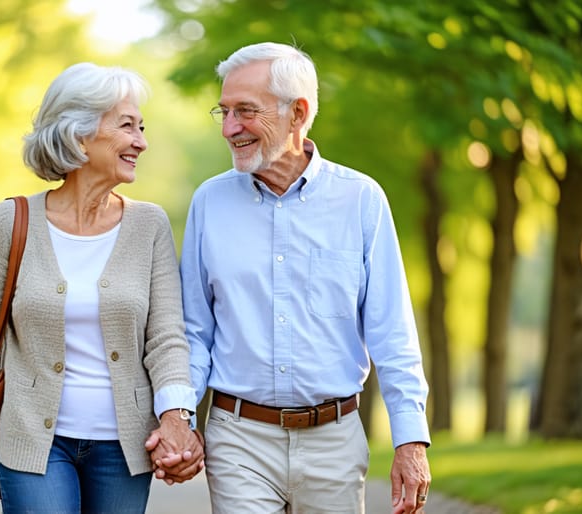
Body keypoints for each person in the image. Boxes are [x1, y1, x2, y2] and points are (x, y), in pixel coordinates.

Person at [161, 42, 432, 513]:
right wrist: (180, 416)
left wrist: (411, 441)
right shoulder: (210, 202)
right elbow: (193, 331)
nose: (230, 128)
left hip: (335, 440)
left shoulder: (362, 200)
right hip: (239, 438)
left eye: (246, 111)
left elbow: (392, 333)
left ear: (298, 113)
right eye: (223, 111)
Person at [0, 62, 203, 514]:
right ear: (78, 134)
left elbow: (167, 339)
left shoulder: (150, 226)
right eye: (127, 126)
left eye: (141, 127)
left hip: (123, 451)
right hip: (33, 445)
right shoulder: (12, 221)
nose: (141, 141)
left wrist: (176, 417)